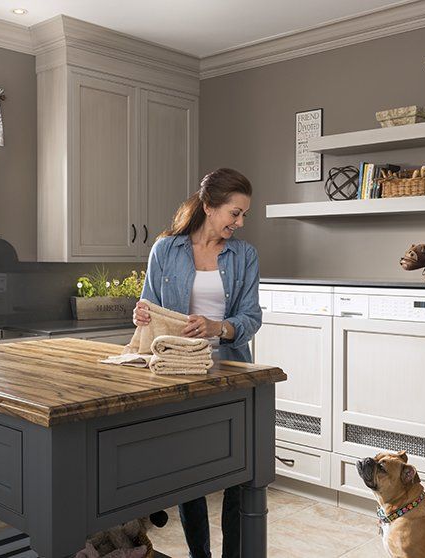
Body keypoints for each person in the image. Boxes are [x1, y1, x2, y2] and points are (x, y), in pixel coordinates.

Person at [133, 167, 262, 558]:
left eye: (243, 216)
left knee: (240, 476)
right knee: (188, 476)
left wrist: (217, 326)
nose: (239, 223)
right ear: (209, 207)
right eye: (234, 213)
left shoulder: (245, 256)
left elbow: (251, 318)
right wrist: (140, 315)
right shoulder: (165, 250)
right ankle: (199, 555)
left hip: (231, 372)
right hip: (180, 373)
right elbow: (147, 307)